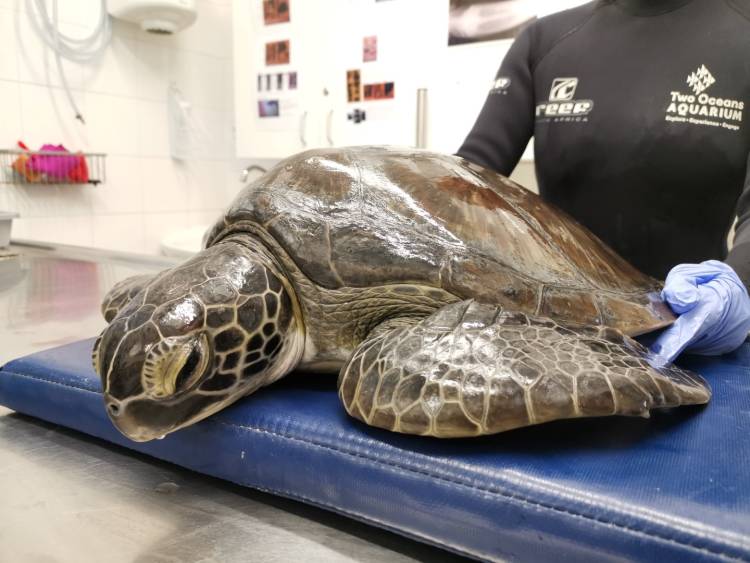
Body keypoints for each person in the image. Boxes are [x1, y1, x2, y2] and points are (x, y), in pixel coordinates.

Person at [457, 0, 750, 365]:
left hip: (692, 334)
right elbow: (465, 181)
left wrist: (736, 283)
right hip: (553, 338)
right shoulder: (544, 41)